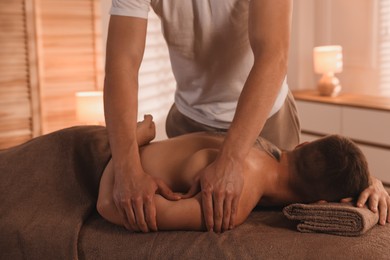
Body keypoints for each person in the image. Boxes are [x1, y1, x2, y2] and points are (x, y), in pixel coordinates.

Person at [103, 0, 389, 233]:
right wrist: (126, 171)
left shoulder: (276, 160)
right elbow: (122, 64)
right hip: (190, 115)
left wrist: (364, 180)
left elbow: (273, 55)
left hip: (266, 117)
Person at [97, 115, 373, 231]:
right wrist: (129, 144)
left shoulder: (255, 143)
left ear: (303, 144)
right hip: (97, 163)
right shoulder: (235, 194)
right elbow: (109, 204)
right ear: (318, 206)